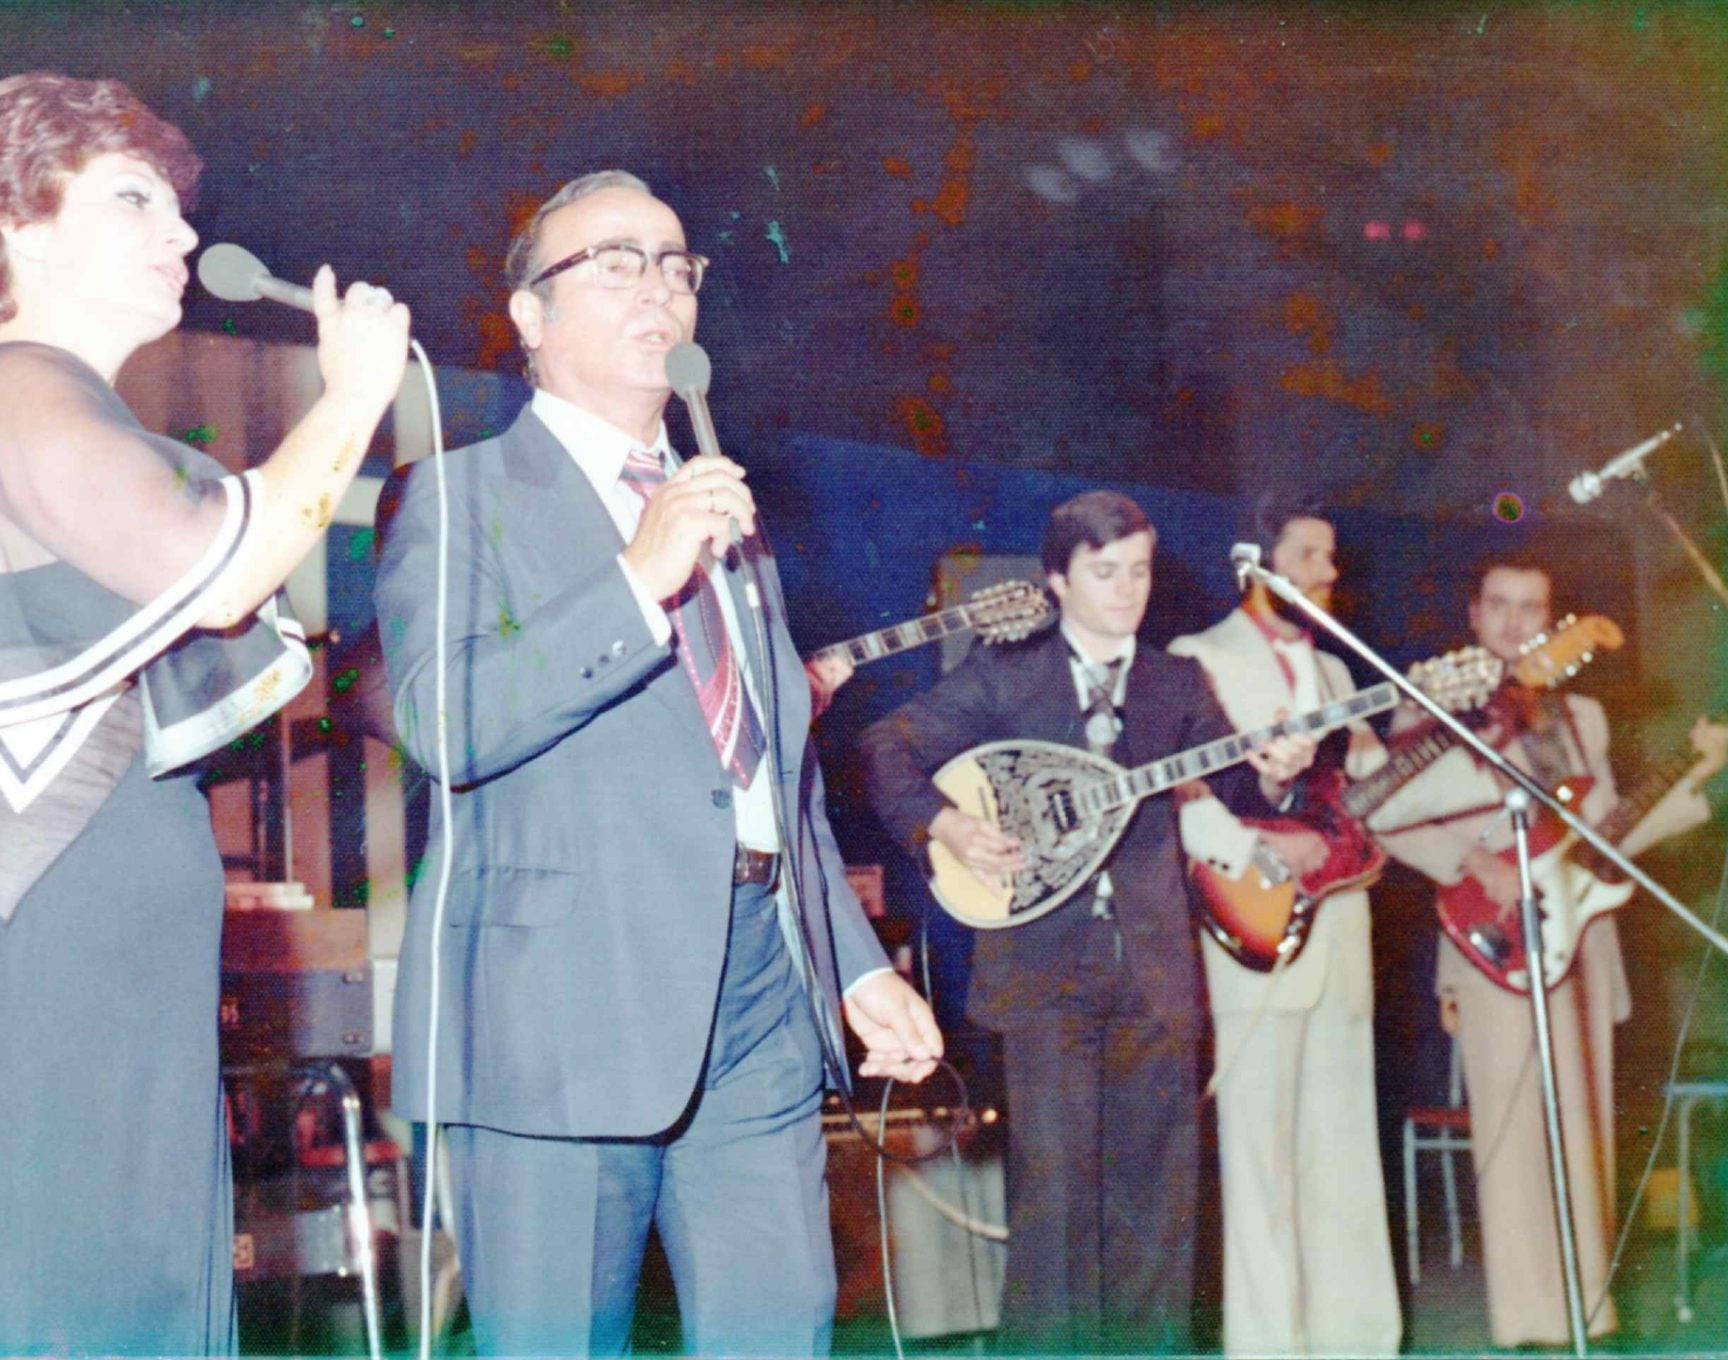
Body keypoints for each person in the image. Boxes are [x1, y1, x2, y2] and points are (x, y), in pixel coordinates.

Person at [0, 72, 410, 1354]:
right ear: (19, 227)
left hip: (101, 979)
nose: (182, 233)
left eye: (176, 208)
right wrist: (351, 399)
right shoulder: (11, 386)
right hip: (41, 978)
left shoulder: (65, 408)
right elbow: (218, 566)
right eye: (133, 201)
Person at [373, 169, 941, 1357]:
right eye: (615, 263)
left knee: (780, 1330)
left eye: (677, 265)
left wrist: (852, 962)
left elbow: (773, 771)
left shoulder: (726, 514)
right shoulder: (460, 496)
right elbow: (445, 722)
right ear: (528, 315)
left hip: (758, 991)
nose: (659, 289)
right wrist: (638, 575)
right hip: (559, 1012)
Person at [858, 490, 1316, 1354]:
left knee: (1158, 1210)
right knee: (1057, 1210)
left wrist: (1278, 769)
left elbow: (1241, 782)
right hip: (1043, 978)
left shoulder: (1177, 682)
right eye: (1105, 572)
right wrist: (946, 824)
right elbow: (886, 745)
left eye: (1139, 570)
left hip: (1154, 977)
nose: (1127, 590)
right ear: (1058, 581)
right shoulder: (1007, 674)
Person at [1373, 555, 1727, 1347]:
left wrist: (1693, 773)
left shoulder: (1580, 718)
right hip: (1490, 933)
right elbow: (1387, 817)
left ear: (1553, 621)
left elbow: (1610, 833)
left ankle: (1588, 1309)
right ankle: (1527, 1321)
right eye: (1498, 604)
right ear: (1473, 614)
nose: (1514, 622)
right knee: (1513, 1128)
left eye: (1531, 607)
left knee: (1584, 1122)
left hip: (1580, 930)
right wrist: (1475, 862)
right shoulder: (1429, 706)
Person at [1169, 497, 1401, 1356]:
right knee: (1258, 1155)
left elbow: (1370, 796)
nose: (1328, 573)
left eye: (1330, 557)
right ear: (1255, 564)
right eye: (1308, 555)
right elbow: (1183, 801)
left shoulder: (1339, 674)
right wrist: (1268, 862)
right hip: (1251, 927)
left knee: (1343, 1147)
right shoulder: (1198, 659)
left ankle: (1357, 1338)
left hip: (1340, 933)